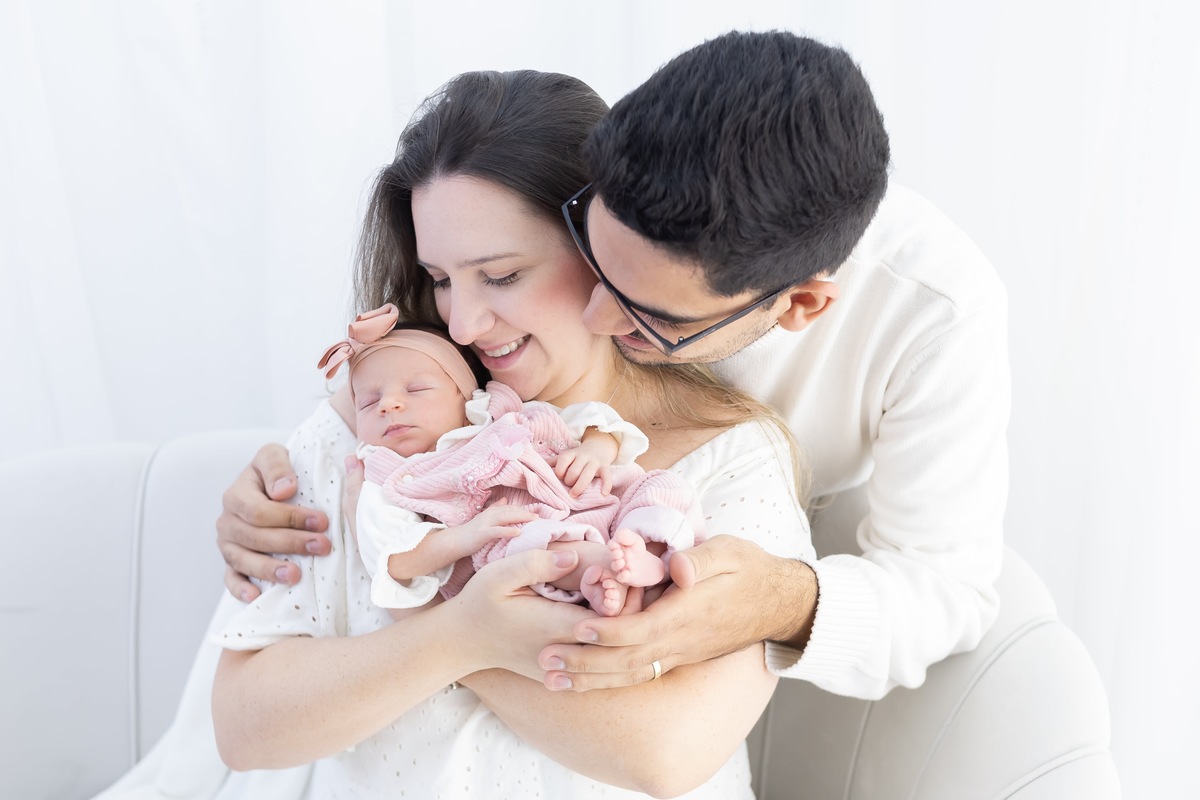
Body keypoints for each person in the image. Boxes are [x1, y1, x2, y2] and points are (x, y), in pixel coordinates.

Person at [218, 29, 1009, 704]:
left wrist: (780, 598)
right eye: (593, 258)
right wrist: (312, 460)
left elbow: (944, 587)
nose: (596, 316)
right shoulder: (649, 157)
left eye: (648, 317)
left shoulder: (932, 314)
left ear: (798, 308)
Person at [202, 67, 814, 800]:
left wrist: (445, 613)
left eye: (500, 275)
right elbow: (244, 725)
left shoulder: (724, 455)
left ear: (605, 253)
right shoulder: (374, 425)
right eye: (440, 278)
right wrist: (463, 633)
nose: (462, 324)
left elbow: (667, 752)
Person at [319, 303, 704, 616]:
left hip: (593, 502)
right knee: (529, 546)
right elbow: (395, 560)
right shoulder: (387, 482)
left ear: (464, 393)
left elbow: (593, 420)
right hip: (511, 543)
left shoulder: (500, 410)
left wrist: (594, 449)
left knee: (659, 485)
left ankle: (649, 548)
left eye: (417, 389)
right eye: (369, 403)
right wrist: (465, 537)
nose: (389, 405)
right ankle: (606, 569)